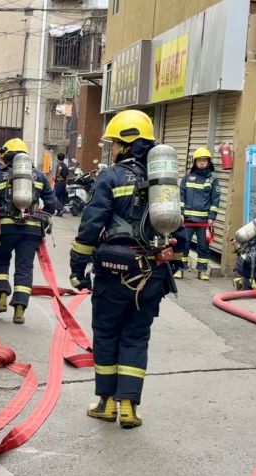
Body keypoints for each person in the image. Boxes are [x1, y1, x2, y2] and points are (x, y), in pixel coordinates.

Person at [69, 109, 185, 429]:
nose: (114, 148)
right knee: (136, 337)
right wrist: (170, 267)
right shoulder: (164, 181)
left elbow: (91, 226)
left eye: (116, 143)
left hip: (113, 273)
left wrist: (78, 267)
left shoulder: (111, 177)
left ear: (126, 143)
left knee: (107, 334)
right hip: (151, 273)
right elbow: (181, 231)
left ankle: (106, 404)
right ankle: (130, 407)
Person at [0, 138, 56, 324]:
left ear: (7, 155)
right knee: (24, 268)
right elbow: (51, 204)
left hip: (6, 228)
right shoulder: (39, 176)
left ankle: (1, 295)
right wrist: (41, 214)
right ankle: (19, 309)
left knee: (1, 261)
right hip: (32, 229)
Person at [175, 147, 220, 281]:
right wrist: (181, 213)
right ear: (194, 162)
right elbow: (181, 197)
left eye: (204, 160)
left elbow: (215, 200)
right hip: (187, 219)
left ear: (208, 162)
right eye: (199, 160)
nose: (202, 163)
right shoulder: (187, 179)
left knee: (203, 246)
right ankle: (180, 269)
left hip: (204, 220)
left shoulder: (212, 180)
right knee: (184, 244)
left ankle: (202, 271)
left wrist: (212, 217)